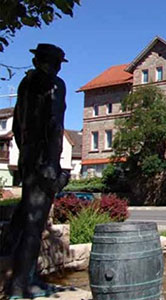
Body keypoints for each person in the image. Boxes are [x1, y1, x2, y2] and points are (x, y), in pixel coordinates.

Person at [5, 44, 70, 299]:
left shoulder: (25, 85)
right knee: (35, 224)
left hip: (28, 159)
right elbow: (54, 124)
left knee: (25, 217)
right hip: (44, 161)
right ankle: (21, 286)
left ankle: (25, 276)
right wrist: (52, 164)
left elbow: (17, 125)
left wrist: (27, 157)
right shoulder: (54, 85)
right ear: (54, 63)